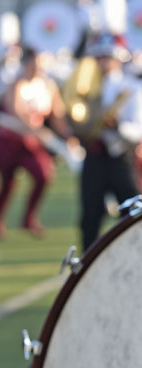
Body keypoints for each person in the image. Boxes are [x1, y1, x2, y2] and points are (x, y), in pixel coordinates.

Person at [0, 47, 76, 239]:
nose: (38, 69)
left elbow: (57, 114)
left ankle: (29, 218)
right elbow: (16, 111)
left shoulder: (48, 85)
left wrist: (67, 135)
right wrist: (38, 131)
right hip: (10, 139)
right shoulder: (16, 84)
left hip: (31, 140)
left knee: (44, 174)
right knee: (8, 182)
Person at [77, 34, 142, 250]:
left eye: (107, 57)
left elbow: (137, 131)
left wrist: (116, 127)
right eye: (99, 57)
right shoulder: (85, 86)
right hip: (93, 156)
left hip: (119, 157)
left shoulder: (131, 88)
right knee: (90, 217)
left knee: (132, 214)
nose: (102, 62)